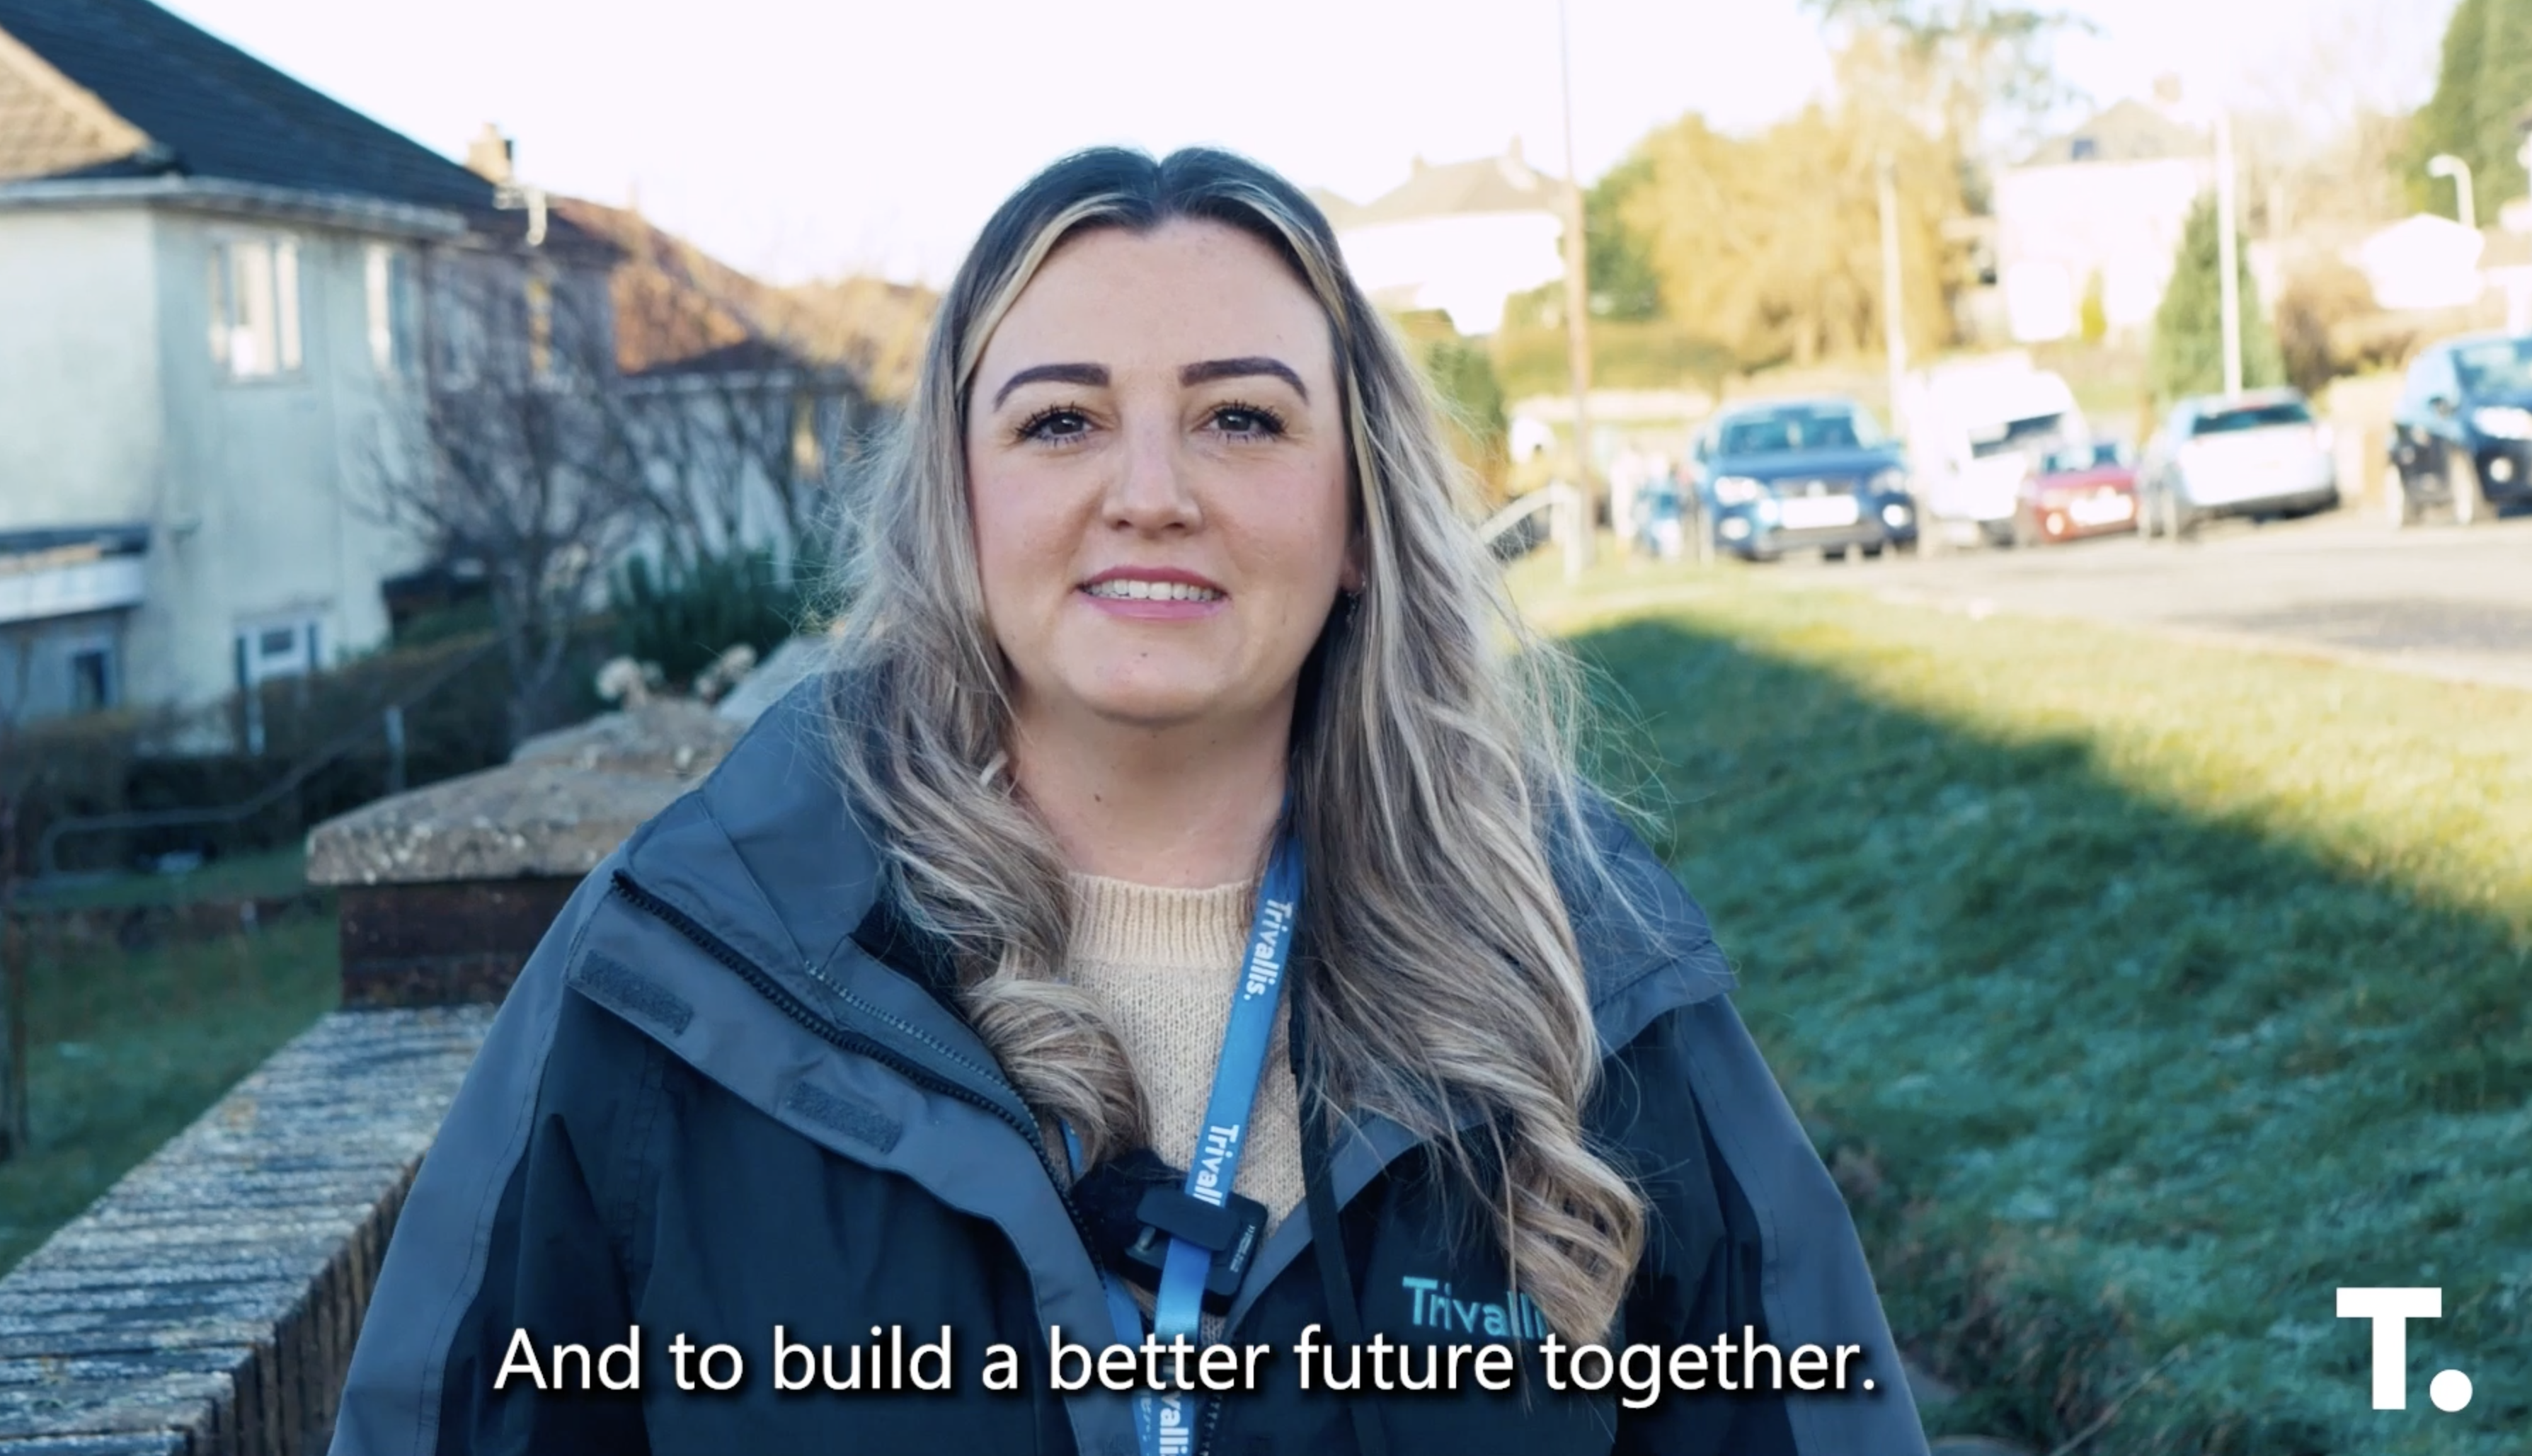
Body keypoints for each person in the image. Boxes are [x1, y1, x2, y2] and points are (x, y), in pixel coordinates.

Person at [327, 147, 1929, 1456]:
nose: (1149, 488)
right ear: (957, 505)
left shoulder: (1587, 968)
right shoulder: (683, 972)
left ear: (1361, 511)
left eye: (1240, 417)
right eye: (1060, 419)